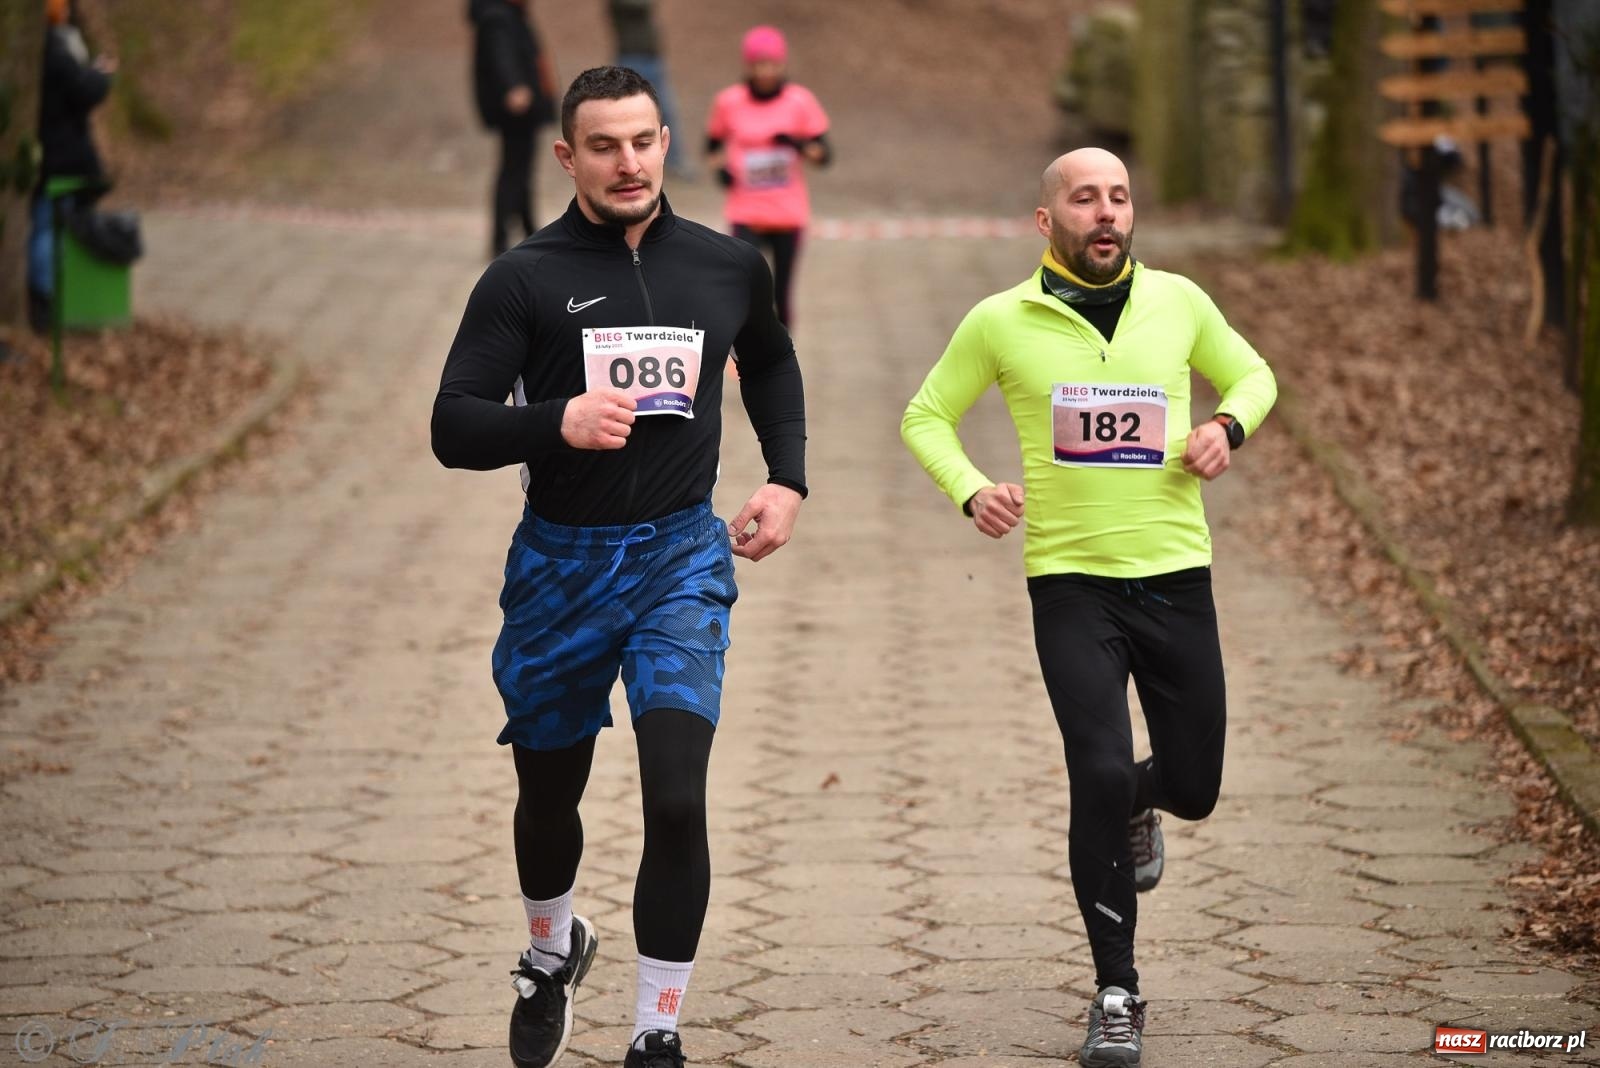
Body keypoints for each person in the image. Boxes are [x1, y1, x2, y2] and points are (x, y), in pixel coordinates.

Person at [432, 66, 807, 1068]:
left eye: (643, 140)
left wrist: (788, 478)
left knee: (677, 796)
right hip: (560, 566)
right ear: (568, 157)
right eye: (604, 145)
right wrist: (552, 421)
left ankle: (657, 1028)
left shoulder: (726, 267)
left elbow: (767, 359)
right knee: (550, 795)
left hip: (681, 557)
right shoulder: (524, 277)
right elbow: (453, 425)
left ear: (666, 141)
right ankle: (551, 951)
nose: (629, 162)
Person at [900, 147, 1277, 1068]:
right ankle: (1118, 991)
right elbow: (924, 415)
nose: (1105, 213)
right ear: (1046, 220)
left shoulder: (1179, 302)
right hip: (1069, 583)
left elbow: (1256, 376)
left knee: (1193, 786)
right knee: (1098, 775)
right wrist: (969, 488)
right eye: (1084, 199)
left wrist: (1225, 429)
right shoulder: (1001, 320)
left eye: (1118, 198)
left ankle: (1144, 806)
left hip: (1177, 575)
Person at [705, 25, 830, 328]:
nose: (765, 71)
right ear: (748, 65)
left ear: (782, 63)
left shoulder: (799, 101)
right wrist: (721, 171)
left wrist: (797, 143)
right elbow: (711, 146)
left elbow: (824, 156)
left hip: (788, 213)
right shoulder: (729, 101)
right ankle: (746, 355)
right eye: (758, 64)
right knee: (744, 287)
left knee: (781, 292)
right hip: (746, 211)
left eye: (772, 64)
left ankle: (785, 357)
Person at [30, 0, 116, 330]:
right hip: (60, 156)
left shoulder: (47, 50)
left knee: (47, 226)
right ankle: (46, 298)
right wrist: (101, 74)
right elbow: (82, 91)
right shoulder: (52, 51)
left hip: (51, 154)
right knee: (49, 228)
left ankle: (48, 296)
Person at [468, 0, 559, 257]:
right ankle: (500, 239)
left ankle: (529, 231)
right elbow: (501, 54)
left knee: (520, 171)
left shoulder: (508, 13)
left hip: (522, 106)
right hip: (518, 107)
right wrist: (514, 87)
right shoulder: (498, 16)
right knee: (514, 172)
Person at [607, 0, 694, 179]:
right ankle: (632, 161)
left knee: (665, 111)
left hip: (649, 59)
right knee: (630, 113)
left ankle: (671, 161)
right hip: (633, 59)